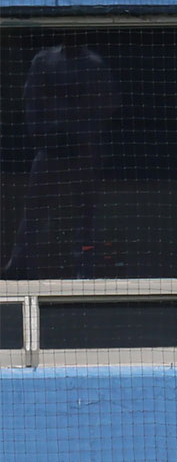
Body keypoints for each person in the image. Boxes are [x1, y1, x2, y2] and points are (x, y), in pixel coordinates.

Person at [3, 33, 120, 279]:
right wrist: (42, 134)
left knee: (86, 211)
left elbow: (106, 104)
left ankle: (86, 268)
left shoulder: (94, 65)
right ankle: (20, 264)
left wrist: (84, 135)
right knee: (35, 208)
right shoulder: (44, 60)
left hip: (83, 148)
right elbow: (32, 99)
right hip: (51, 146)